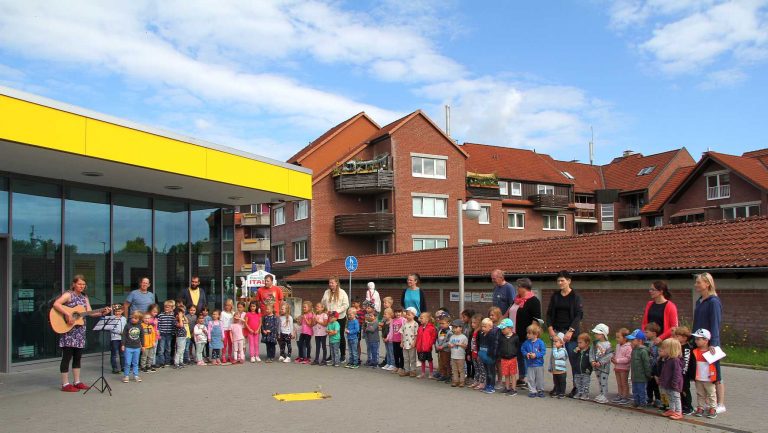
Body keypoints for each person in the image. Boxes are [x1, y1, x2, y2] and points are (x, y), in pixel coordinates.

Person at [52, 275, 111, 392]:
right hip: (68, 330)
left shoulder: (84, 297)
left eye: (83, 284)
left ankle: (77, 381)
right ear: (74, 284)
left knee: (78, 357)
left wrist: (102, 313)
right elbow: (56, 304)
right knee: (67, 357)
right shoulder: (69, 294)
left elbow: (89, 313)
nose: (82, 286)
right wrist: (68, 314)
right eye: (79, 284)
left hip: (80, 332)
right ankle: (65, 384)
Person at [546, 270, 584, 398]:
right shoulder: (555, 296)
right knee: (556, 361)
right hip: (557, 332)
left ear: (569, 281)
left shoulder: (575, 296)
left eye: (562, 280)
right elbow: (549, 314)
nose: (560, 283)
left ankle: (577, 388)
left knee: (574, 361)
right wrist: (551, 330)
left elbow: (579, 315)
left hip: (570, 334)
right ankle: (558, 387)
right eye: (558, 281)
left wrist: (571, 331)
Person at [692, 272, 725, 414]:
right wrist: (693, 338)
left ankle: (720, 404)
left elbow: (715, 323)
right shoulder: (699, 301)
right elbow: (696, 322)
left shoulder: (714, 302)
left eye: (699, 282)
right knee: (703, 374)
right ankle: (706, 403)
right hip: (699, 342)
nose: (696, 285)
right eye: (696, 282)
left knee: (715, 375)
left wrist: (714, 343)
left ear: (707, 284)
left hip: (710, 344)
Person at [508, 278, 541, 389]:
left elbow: (536, 319)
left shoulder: (533, 301)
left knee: (526, 356)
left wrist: (531, 333)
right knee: (519, 357)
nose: (517, 289)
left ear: (524, 288)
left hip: (525, 334)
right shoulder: (516, 300)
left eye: (518, 287)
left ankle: (530, 380)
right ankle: (522, 378)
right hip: (514, 333)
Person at [690, 329, 718, 419]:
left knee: (711, 393)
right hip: (698, 377)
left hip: (709, 378)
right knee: (700, 394)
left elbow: (716, 366)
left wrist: (717, 378)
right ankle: (700, 407)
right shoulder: (694, 351)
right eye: (696, 339)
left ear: (706, 340)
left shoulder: (712, 352)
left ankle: (713, 408)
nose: (696, 341)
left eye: (698, 339)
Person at [321, 276, 350, 362]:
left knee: (339, 336)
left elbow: (346, 304)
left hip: (340, 317)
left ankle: (342, 355)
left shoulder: (342, 292)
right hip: (331, 318)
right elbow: (323, 302)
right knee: (331, 335)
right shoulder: (327, 292)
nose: (330, 284)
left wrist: (337, 311)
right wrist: (325, 310)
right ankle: (332, 355)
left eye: (332, 283)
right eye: (329, 283)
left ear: (336, 283)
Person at [658, 338, 685, 420]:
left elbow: (677, 373)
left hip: (674, 384)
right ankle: (672, 409)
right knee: (670, 397)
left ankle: (678, 411)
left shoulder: (675, 360)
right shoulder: (667, 359)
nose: (661, 350)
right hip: (667, 383)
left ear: (670, 349)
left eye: (664, 348)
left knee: (676, 397)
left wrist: (675, 383)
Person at [673, 326, 695, 415]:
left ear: (684, 338)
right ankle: (680, 405)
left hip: (684, 374)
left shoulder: (687, 348)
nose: (676, 338)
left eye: (678, 336)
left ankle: (688, 406)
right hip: (677, 373)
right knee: (678, 390)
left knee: (685, 389)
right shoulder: (677, 346)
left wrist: (685, 373)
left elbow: (687, 361)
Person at [589, 324, 613, 404]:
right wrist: (592, 361)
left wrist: (600, 362)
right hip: (596, 366)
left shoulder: (608, 344)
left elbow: (609, 355)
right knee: (599, 381)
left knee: (603, 381)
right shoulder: (595, 343)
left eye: (597, 333)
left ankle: (605, 395)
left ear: (603, 334)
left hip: (604, 367)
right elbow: (591, 352)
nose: (595, 335)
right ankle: (601, 393)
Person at [628, 329, 651, 408]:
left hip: (642, 376)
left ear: (640, 341)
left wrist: (648, 374)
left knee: (641, 391)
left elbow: (646, 364)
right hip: (635, 376)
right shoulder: (634, 350)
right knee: (635, 390)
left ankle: (642, 403)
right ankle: (636, 402)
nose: (630, 342)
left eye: (632, 340)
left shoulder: (643, 351)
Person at [522, 324, 546, 398]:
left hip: (539, 364)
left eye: (529, 333)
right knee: (531, 378)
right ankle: (532, 390)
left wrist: (536, 355)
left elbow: (543, 351)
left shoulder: (540, 342)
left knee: (539, 378)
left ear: (535, 334)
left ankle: (540, 390)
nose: (527, 335)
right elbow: (522, 349)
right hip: (530, 364)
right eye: (527, 333)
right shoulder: (526, 342)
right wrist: (526, 354)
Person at [497, 318, 519, 395]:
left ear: (510, 328)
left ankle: (513, 388)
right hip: (504, 358)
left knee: (513, 374)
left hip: (512, 358)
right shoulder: (501, 337)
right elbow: (499, 346)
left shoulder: (515, 337)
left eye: (504, 329)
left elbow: (517, 347)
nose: (502, 330)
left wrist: (516, 355)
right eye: (501, 329)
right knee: (506, 374)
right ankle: (507, 387)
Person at [121, 310, 144, 383]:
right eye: (132, 317)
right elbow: (124, 335)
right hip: (128, 347)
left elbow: (142, 336)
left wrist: (143, 345)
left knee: (135, 362)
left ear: (139, 319)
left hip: (137, 347)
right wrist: (123, 345)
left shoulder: (140, 326)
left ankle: (136, 375)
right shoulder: (127, 325)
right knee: (127, 362)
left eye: (135, 318)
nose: (133, 319)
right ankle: (126, 375)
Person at [611, 327, 632, 404]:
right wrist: (613, 358)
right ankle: (620, 395)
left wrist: (618, 360)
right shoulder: (617, 346)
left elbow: (628, 359)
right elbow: (617, 355)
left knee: (624, 382)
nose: (617, 339)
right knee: (619, 382)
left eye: (618, 337)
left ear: (625, 338)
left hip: (624, 368)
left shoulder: (629, 347)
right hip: (617, 367)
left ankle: (625, 396)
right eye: (616, 337)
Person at [644, 322, 662, 407]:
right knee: (649, 385)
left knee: (656, 385)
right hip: (647, 367)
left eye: (647, 332)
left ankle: (658, 399)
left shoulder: (658, 344)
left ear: (654, 333)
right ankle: (649, 398)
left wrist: (655, 371)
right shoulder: (645, 343)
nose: (645, 333)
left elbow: (658, 357)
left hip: (655, 368)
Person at [415, 312, 437, 379]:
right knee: (422, 360)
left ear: (427, 319)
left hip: (427, 348)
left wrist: (430, 344)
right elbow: (418, 337)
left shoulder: (431, 328)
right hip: (420, 348)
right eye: (420, 318)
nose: (420, 319)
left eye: (422, 318)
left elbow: (433, 337)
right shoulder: (420, 327)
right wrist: (417, 345)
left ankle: (431, 373)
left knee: (430, 360)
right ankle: (423, 373)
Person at [399, 307, 419, 377]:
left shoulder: (415, 324)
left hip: (411, 343)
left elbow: (416, 334)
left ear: (413, 315)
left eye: (409, 314)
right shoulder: (404, 323)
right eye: (406, 314)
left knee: (412, 358)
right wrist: (401, 342)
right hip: (405, 343)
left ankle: (413, 370)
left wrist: (414, 343)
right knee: (406, 358)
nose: (407, 316)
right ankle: (407, 370)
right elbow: (402, 333)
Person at [155, 300, 176, 367]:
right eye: (165, 307)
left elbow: (174, 325)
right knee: (161, 349)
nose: (166, 308)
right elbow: (158, 325)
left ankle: (167, 361)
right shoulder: (161, 315)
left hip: (169, 334)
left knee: (168, 348)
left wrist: (173, 332)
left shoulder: (173, 316)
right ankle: (161, 362)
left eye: (168, 307)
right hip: (162, 334)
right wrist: (158, 331)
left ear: (172, 308)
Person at [572, 333, 593, 400]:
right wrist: (575, 351)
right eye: (578, 343)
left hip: (585, 371)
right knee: (577, 382)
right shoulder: (577, 351)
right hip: (577, 370)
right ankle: (579, 392)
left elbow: (591, 361)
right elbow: (573, 357)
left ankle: (585, 394)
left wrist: (589, 369)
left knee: (585, 383)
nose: (579, 344)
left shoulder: (589, 351)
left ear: (587, 343)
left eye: (580, 343)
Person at [449, 319, 469, 388]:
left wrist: (460, 344)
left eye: (456, 327)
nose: (454, 329)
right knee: (454, 369)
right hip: (453, 356)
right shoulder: (452, 336)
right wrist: (450, 345)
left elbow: (465, 346)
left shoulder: (463, 337)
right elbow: (449, 344)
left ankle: (462, 381)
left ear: (460, 328)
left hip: (460, 357)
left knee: (461, 369)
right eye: (453, 328)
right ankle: (455, 381)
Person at [107, 304, 127, 374]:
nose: (117, 313)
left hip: (122, 339)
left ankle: (123, 367)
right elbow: (111, 329)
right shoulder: (112, 318)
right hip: (115, 338)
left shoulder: (124, 318)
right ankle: (114, 368)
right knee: (114, 354)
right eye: (115, 311)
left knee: (122, 353)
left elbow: (126, 327)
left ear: (122, 311)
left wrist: (124, 333)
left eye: (119, 311)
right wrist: (120, 332)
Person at [549, 333, 568, 398]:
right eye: (553, 341)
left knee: (562, 382)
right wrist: (550, 367)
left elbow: (556, 356)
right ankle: (557, 391)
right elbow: (551, 360)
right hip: (555, 370)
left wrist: (554, 349)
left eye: (556, 341)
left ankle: (562, 392)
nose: (554, 343)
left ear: (561, 343)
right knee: (556, 382)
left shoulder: (563, 350)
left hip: (561, 370)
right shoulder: (554, 350)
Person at [469, 314, 485, 389]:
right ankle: (476, 381)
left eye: (474, 323)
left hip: (479, 354)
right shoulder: (472, 332)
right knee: (476, 368)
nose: (472, 324)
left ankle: (482, 382)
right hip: (473, 353)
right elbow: (470, 343)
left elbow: (480, 344)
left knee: (482, 369)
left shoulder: (480, 332)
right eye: (472, 322)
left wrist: (479, 353)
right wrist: (469, 353)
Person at [388, 308, 405, 374]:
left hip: (401, 340)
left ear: (402, 313)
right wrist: (389, 338)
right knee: (395, 354)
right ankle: (396, 366)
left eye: (399, 312)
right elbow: (391, 330)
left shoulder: (403, 320)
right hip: (394, 340)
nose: (398, 314)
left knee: (401, 354)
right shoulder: (393, 320)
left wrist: (402, 341)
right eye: (396, 312)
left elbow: (404, 330)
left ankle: (401, 367)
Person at [435, 315, 452, 381]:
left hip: (446, 350)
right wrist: (437, 346)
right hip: (440, 350)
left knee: (447, 363)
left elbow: (449, 341)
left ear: (448, 323)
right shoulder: (440, 331)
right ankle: (444, 374)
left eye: (443, 323)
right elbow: (438, 339)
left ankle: (449, 375)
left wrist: (443, 346)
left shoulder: (450, 332)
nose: (441, 325)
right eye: (440, 323)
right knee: (442, 363)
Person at [220, 299, 235, 364]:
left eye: (229, 305)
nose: (227, 307)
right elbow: (220, 322)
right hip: (224, 330)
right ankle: (223, 356)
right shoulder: (222, 313)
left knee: (230, 344)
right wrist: (221, 331)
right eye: (226, 305)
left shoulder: (233, 313)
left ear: (231, 306)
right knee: (224, 344)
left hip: (231, 331)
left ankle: (229, 356)